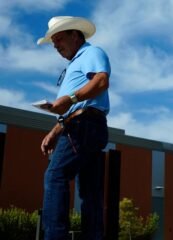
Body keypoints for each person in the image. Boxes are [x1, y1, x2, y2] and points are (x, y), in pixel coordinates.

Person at [37, 16, 111, 240]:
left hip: (85, 125)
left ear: (75, 35)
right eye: (53, 42)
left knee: (55, 176)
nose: (56, 46)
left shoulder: (91, 53)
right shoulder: (73, 65)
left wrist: (68, 99)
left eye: (59, 39)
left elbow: (101, 81)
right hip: (83, 124)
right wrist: (54, 132)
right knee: (89, 191)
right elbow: (73, 107)